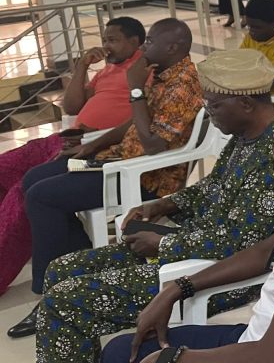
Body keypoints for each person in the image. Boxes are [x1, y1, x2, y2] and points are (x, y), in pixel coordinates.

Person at [32, 50, 274, 362]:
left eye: (213, 105)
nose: (207, 112)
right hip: (188, 246)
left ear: (246, 104)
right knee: (61, 269)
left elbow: (244, 243)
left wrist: (163, 243)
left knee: (64, 302)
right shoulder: (246, 137)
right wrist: (163, 205)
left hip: (213, 273)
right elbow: (210, 187)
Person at [100, 90, 274, 363]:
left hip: (265, 352)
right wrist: (179, 287)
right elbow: (266, 251)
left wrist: (176, 358)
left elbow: (272, 356)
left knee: (124, 355)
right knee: (120, 350)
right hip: (254, 339)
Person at [8, 18, 203, 338]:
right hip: (118, 158)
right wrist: (93, 145)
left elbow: (153, 145)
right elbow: (134, 123)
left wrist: (135, 89)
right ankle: (82, 264)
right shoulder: (164, 73)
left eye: (150, 42)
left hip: (142, 177)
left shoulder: (183, 85)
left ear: (173, 47)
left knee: (41, 197)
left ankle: (49, 294)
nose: (145, 47)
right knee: (34, 178)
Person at [0, 16, 145, 298]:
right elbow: (71, 106)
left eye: (113, 40)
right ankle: (65, 246)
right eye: (105, 40)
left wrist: (94, 139)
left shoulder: (143, 72)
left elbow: (139, 120)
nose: (107, 46)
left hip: (94, 145)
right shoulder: (108, 69)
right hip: (68, 139)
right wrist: (82, 67)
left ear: (135, 41)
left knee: (26, 191)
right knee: (5, 168)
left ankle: (13, 262)